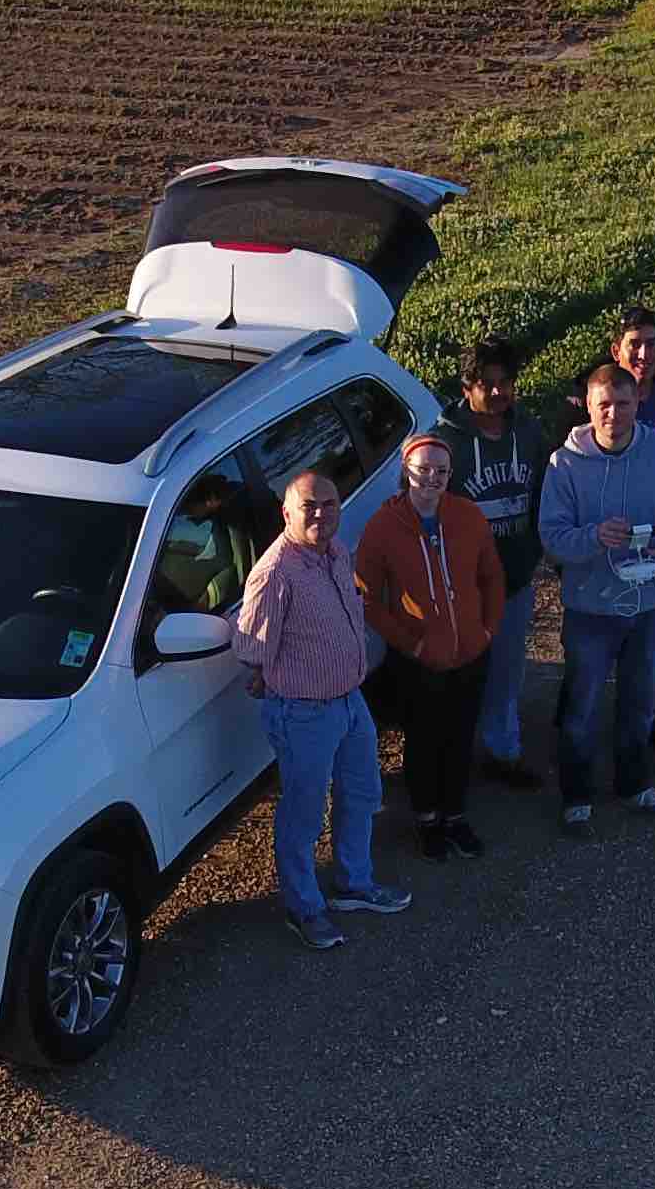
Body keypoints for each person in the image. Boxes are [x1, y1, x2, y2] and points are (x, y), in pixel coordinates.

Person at [230, 467, 409, 946]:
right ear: (286, 512)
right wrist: (265, 670)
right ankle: (303, 908)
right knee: (304, 814)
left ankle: (354, 883)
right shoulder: (274, 574)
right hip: (304, 713)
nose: (321, 513)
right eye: (309, 505)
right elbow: (250, 648)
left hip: (351, 701)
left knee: (361, 793)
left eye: (329, 504)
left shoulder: (335, 551)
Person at [537, 364, 655, 832]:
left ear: (638, 404)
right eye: (604, 406)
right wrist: (593, 537)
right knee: (583, 703)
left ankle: (634, 783)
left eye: (624, 404)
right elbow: (551, 537)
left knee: (640, 699)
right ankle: (576, 794)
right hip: (590, 608)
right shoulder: (564, 464)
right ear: (588, 408)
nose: (613, 414)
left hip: (649, 605)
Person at [354, 431, 508, 858]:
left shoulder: (468, 516)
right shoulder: (385, 525)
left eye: (441, 471)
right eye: (423, 470)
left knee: (460, 736)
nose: (432, 479)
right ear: (406, 471)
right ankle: (427, 821)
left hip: (471, 650)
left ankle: (455, 815)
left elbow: (492, 576)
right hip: (420, 657)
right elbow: (365, 594)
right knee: (424, 739)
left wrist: (489, 629)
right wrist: (410, 644)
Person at [435, 338, 550, 788]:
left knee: (507, 671)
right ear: (468, 387)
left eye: (507, 383)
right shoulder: (446, 442)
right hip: (462, 588)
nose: (499, 393)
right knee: (459, 674)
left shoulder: (529, 431)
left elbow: (545, 491)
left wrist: (539, 552)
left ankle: (502, 752)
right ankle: (451, 760)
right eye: (488, 384)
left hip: (515, 580)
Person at [570, 309, 655, 441]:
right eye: (634, 344)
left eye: (651, 344)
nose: (644, 355)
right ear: (616, 352)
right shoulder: (582, 405)